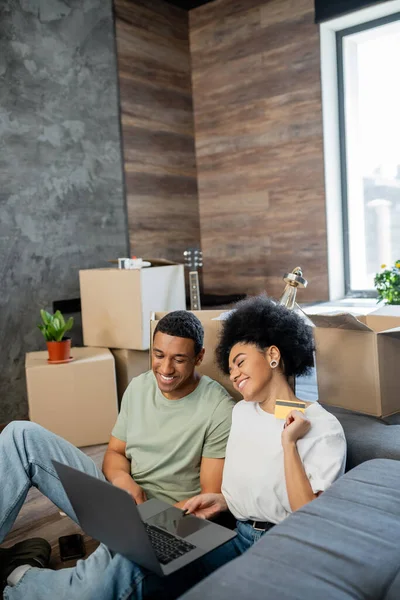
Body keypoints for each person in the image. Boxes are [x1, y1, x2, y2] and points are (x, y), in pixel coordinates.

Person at [0, 311, 234, 599]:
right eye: (158, 355)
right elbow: (114, 453)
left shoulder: (218, 408)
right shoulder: (139, 386)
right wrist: (124, 481)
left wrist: (145, 522)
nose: (166, 368)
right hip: (120, 505)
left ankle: (22, 579)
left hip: (168, 524)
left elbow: (206, 505)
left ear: (199, 356)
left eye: (179, 359)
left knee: (92, 590)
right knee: (20, 434)